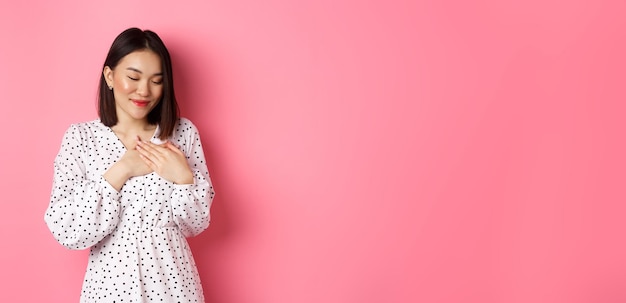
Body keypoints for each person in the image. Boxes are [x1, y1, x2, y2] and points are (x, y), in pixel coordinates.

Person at [44, 27, 215, 303]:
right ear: (110, 76)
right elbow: (67, 229)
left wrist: (184, 178)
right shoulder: (81, 138)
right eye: (133, 77)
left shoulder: (183, 134)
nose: (144, 91)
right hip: (109, 289)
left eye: (157, 81)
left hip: (174, 288)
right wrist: (121, 170)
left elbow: (195, 224)